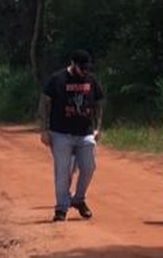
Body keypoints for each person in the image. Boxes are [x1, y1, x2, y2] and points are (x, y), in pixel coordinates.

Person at [38, 50, 106, 222]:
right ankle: (61, 208)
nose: (85, 71)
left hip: (85, 133)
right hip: (61, 133)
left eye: (87, 68)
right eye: (82, 68)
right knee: (63, 171)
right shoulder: (57, 79)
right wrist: (44, 129)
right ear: (73, 64)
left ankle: (78, 199)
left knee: (89, 167)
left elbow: (99, 103)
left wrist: (98, 127)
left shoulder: (91, 80)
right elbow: (44, 103)